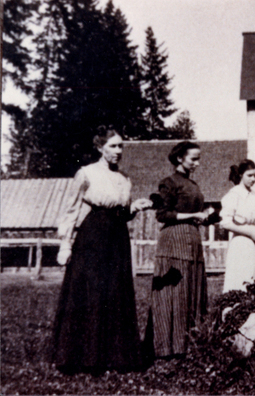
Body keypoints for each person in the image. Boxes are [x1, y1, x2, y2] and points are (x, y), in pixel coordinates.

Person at [53, 127, 153, 375]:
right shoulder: (86, 174)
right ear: (100, 148)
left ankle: (117, 357)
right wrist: (65, 244)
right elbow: (71, 209)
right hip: (92, 237)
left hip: (117, 238)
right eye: (113, 146)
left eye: (121, 146)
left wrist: (134, 208)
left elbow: (121, 211)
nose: (119, 151)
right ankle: (84, 358)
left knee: (115, 293)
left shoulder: (124, 178)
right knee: (93, 292)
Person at [146, 141, 215, 359]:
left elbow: (193, 212)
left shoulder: (192, 184)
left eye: (199, 158)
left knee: (192, 290)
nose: (198, 162)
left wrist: (205, 217)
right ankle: (167, 348)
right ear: (179, 159)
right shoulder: (169, 182)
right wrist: (193, 215)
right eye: (193, 158)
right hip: (174, 241)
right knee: (174, 294)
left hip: (192, 239)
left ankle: (189, 345)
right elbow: (162, 214)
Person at [221, 159, 255, 293]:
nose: (253, 179)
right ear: (240, 175)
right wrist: (250, 233)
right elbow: (225, 222)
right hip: (242, 244)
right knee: (243, 280)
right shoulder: (234, 195)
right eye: (249, 175)